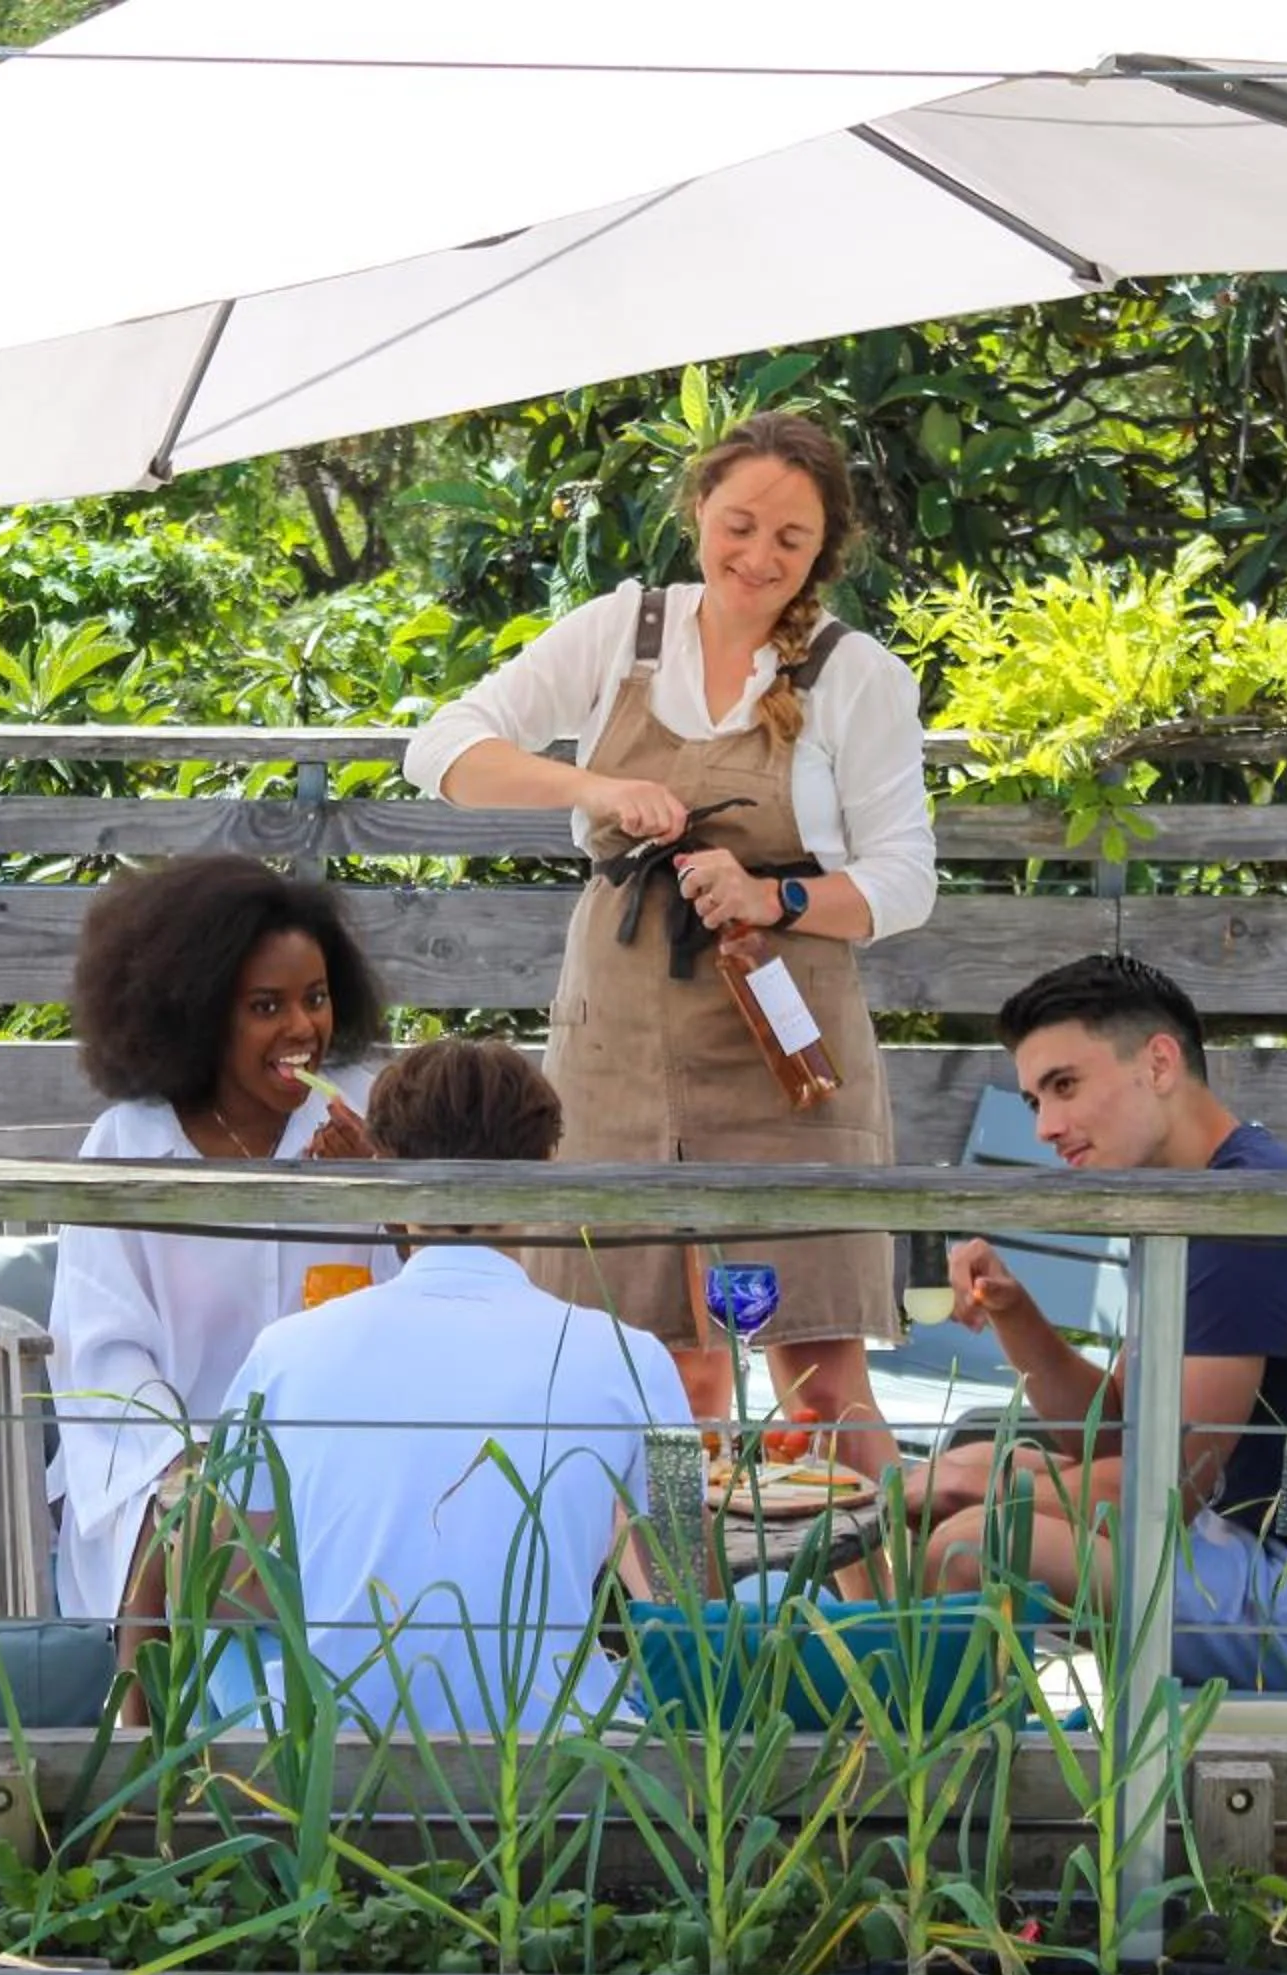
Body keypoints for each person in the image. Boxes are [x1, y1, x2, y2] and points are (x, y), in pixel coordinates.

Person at [403, 413, 936, 1478]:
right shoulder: (619, 631)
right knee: (649, 1366)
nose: (758, 556)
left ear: (822, 549)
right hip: (619, 1042)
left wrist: (766, 891)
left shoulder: (856, 673)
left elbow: (904, 882)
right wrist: (594, 786)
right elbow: (442, 750)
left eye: (791, 538)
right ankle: (661, 1625)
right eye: (739, 524)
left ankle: (886, 1629)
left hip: (789, 1060)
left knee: (818, 1376)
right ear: (698, 510)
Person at [914, 953, 1287, 1692]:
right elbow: (1122, 1431)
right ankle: (915, 1715)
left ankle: (937, 1776)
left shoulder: (1246, 1207)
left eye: (1064, 1086)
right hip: (1268, 1555)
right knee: (988, 1468)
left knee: (973, 1538)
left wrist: (967, 1495)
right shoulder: (1187, 1201)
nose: (1046, 1127)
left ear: (1158, 1063)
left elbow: (1168, 1487)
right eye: (1033, 1102)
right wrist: (1017, 1315)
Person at [188, 1037, 696, 1733]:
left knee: (226, 1655)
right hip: (557, 1761)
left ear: (387, 1165)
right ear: (545, 1169)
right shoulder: (632, 1358)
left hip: (338, 1763)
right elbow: (685, 1597)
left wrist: (350, 1599)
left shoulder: (285, 1352)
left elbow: (213, 1582)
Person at [49, 854, 392, 1635]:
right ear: (200, 1014)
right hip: (166, 1479)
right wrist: (184, 1470)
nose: (302, 1028)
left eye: (315, 998)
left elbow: (429, 1302)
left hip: (347, 1468)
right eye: (265, 1006)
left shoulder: (369, 1121)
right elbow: (105, 1356)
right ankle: (149, 1741)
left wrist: (386, 1193)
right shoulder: (128, 1148)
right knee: (198, 1539)